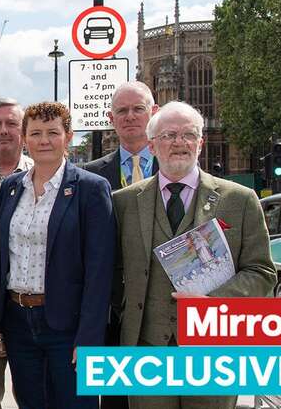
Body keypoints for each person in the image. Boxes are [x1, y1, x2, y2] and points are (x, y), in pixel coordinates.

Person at [112, 101, 277, 409]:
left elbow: (262, 273)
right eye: (169, 135)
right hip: (148, 350)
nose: (180, 143)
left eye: (189, 135)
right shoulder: (123, 203)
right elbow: (109, 271)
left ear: (201, 143)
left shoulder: (240, 200)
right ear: (151, 144)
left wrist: (214, 301)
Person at [0, 101, 115, 409]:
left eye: (52, 132)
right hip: (18, 321)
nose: (43, 140)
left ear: (68, 136)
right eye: (35, 133)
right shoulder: (10, 188)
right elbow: (0, 259)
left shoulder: (91, 188)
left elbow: (100, 270)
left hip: (68, 326)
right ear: (24, 138)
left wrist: (89, 337)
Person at [82, 81, 158, 409]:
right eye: (122, 111)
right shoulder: (87, 177)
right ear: (111, 119)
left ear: (153, 113)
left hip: (164, 314)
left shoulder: (179, 171)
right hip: (112, 315)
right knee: (115, 403)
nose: (130, 117)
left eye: (138, 109)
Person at [0, 98, 32, 409]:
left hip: (33, 305)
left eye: (11, 124)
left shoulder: (44, 174)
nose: (3, 131)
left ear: (23, 131)